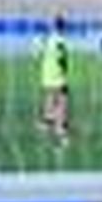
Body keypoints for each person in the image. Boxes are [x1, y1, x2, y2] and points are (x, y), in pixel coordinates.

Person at [37, 15, 72, 147]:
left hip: (46, 76)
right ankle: (61, 131)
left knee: (50, 98)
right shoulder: (61, 41)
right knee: (62, 102)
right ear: (63, 26)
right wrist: (64, 70)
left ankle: (46, 122)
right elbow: (62, 59)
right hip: (58, 75)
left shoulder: (46, 39)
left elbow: (37, 52)